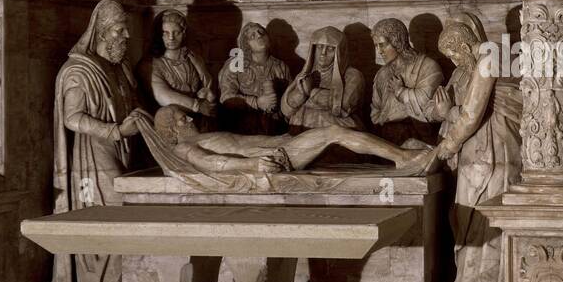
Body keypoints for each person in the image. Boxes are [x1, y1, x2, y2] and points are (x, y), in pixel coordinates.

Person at [403, 11, 522, 282]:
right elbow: (444, 111)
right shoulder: (462, 71)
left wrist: (444, 133)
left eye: (458, 49)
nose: (455, 57)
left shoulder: (489, 59)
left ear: (473, 41)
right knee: (465, 219)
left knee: (486, 220)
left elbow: (470, 115)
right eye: (450, 53)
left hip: (494, 152)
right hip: (472, 157)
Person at [43, 0, 149, 282]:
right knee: (111, 211)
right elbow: (72, 118)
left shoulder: (118, 67)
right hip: (94, 154)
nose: (126, 36)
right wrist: (116, 131)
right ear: (102, 33)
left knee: (123, 212)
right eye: (119, 30)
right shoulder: (79, 70)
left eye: (126, 29)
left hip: (122, 149)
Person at [139, 106, 412, 177]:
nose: (187, 119)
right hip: (277, 158)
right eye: (179, 119)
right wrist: (253, 166)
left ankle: (399, 153)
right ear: (171, 133)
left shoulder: (201, 135)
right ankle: (401, 157)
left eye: (184, 115)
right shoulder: (183, 148)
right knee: (333, 132)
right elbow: (213, 163)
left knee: (337, 140)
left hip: (279, 147)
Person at [370, 17, 444, 146]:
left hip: (417, 135)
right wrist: (380, 121)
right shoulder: (382, 73)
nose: (379, 51)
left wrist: (401, 92)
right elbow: (376, 107)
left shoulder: (427, 66)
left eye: (382, 45)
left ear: (397, 42)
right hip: (385, 139)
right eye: (376, 46)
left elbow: (430, 104)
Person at [280, 26, 365, 131]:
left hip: (335, 131)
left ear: (340, 52)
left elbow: (343, 106)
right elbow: (287, 109)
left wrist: (310, 92)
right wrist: (301, 94)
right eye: (320, 47)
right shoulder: (306, 74)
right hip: (300, 130)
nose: (323, 53)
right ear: (313, 49)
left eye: (330, 49)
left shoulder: (352, 76)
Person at [218, 22, 290, 133]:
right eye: (253, 36)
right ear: (246, 44)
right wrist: (256, 102)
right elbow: (226, 97)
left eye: (262, 32)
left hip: (274, 126)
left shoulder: (280, 66)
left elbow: (289, 98)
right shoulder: (236, 64)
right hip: (244, 127)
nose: (259, 36)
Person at [150, 9, 217, 122]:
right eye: (165, 33)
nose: (171, 38)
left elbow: (209, 85)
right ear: (159, 35)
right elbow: (161, 95)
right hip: (172, 123)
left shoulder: (194, 59)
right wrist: (197, 105)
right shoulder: (151, 64)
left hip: (200, 119)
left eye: (176, 32)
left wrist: (209, 95)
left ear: (184, 33)